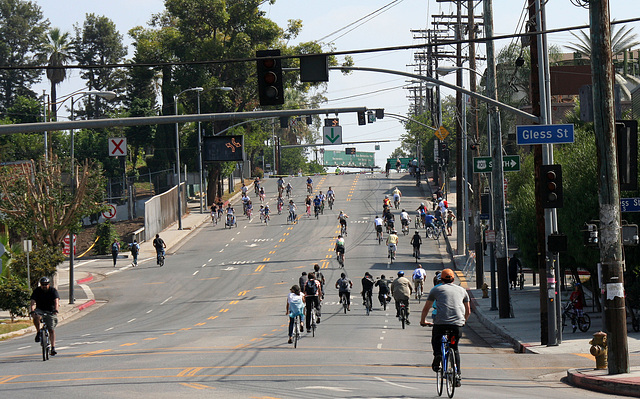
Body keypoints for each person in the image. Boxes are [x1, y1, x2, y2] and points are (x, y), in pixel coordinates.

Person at [420, 268, 470, 388]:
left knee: (436, 339)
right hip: (457, 324)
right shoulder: (462, 290)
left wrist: (423, 321)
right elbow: (468, 311)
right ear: (453, 278)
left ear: (441, 279)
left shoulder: (436, 289)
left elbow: (426, 308)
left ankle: (438, 355)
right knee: (455, 348)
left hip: (441, 323)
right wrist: (463, 322)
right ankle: (458, 375)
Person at [30, 277, 60, 355]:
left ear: (49, 284)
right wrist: (32, 310)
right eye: (42, 285)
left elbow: (56, 301)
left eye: (46, 284)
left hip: (50, 310)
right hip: (40, 309)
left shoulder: (53, 291)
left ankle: (53, 347)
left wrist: (56, 310)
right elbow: (33, 301)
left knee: (51, 330)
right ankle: (38, 332)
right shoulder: (37, 291)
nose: (44, 286)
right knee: (36, 316)